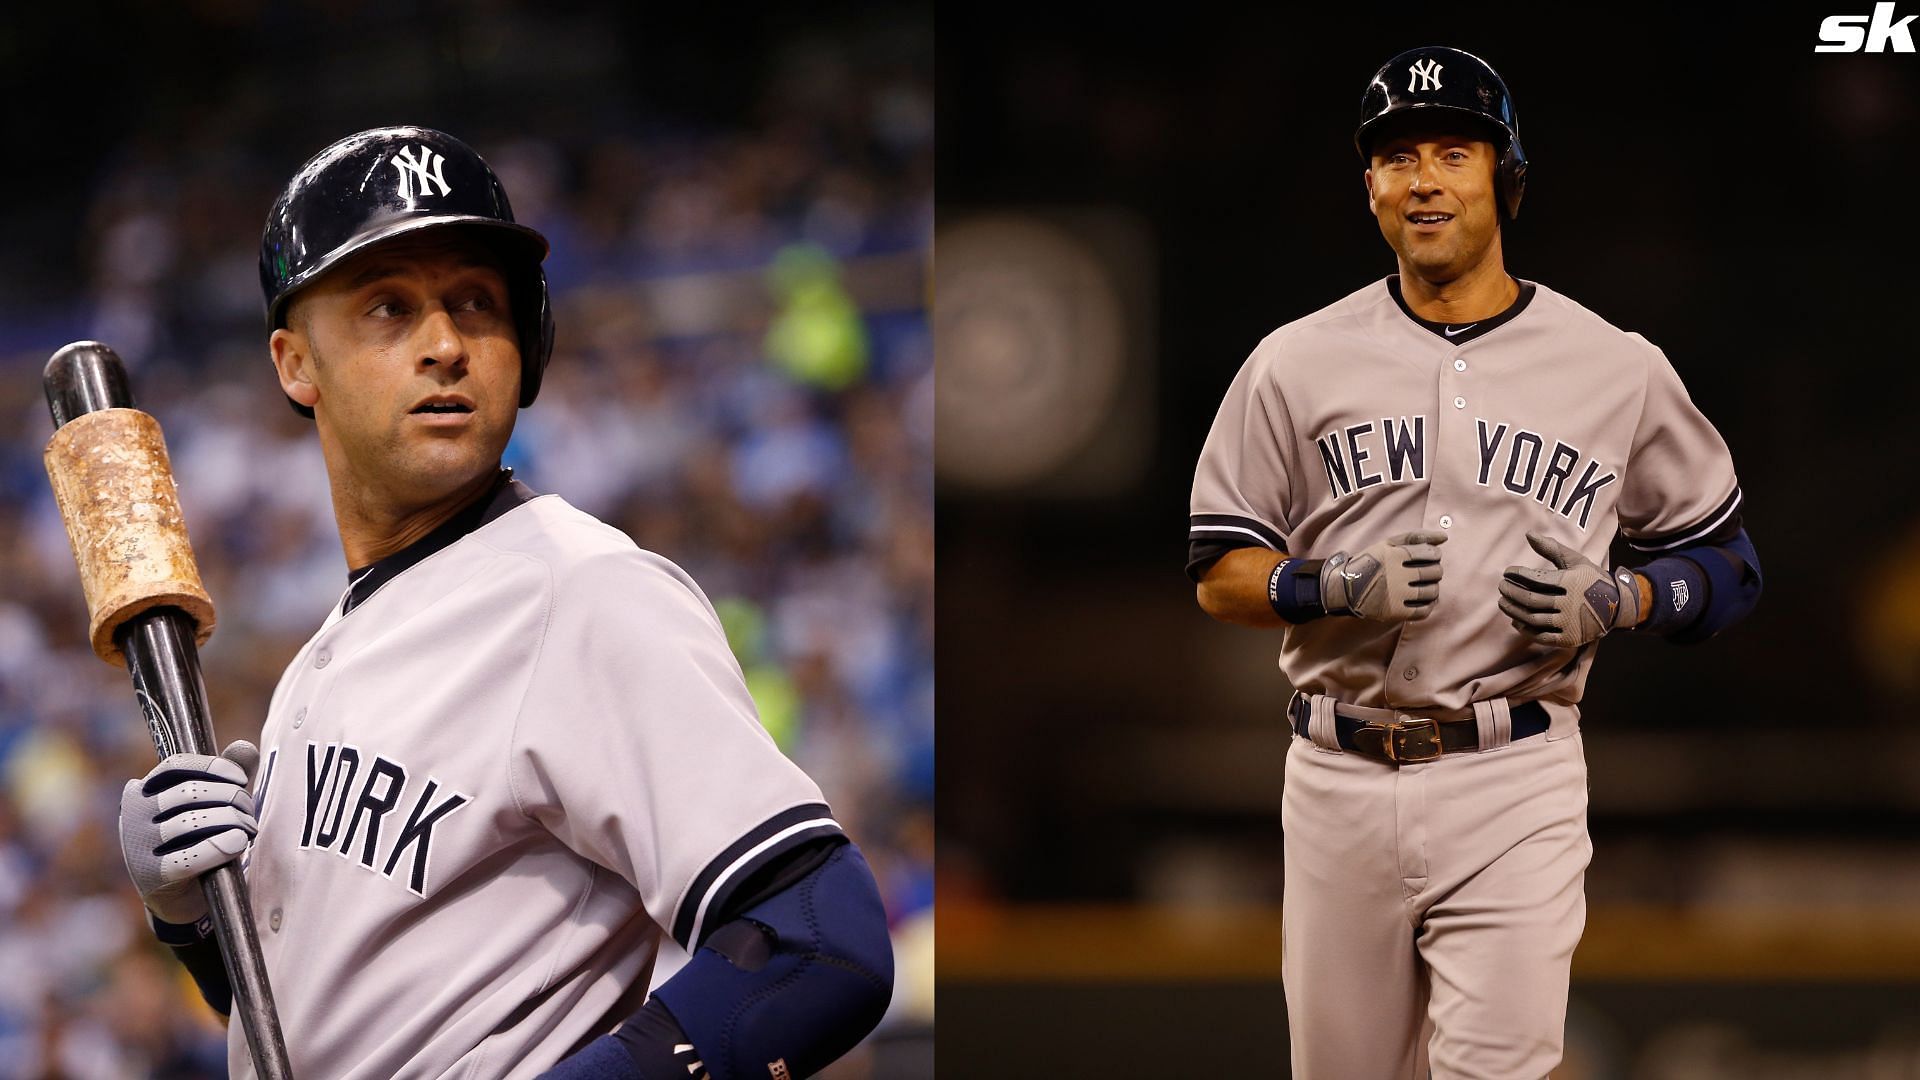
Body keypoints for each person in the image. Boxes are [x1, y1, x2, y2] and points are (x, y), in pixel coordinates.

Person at [115, 126, 893, 1080]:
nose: (445, 345)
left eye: (476, 303)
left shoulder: (583, 592)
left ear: (527, 345)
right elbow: (304, 1035)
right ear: (295, 365)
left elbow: (818, 936)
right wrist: (193, 920)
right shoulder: (332, 648)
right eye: (389, 309)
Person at [1187, 47, 1761, 1079]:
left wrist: (1625, 596)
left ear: (1504, 175)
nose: (1424, 179)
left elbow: (1727, 564)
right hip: (1335, 775)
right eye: (1398, 156)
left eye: (1455, 152)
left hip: (1515, 769)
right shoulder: (1294, 360)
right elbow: (1220, 568)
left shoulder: (1611, 365)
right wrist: (1326, 585)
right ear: (1370, 186)